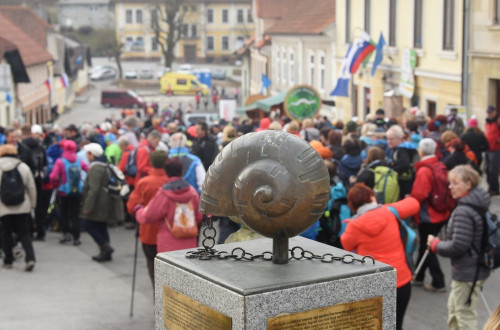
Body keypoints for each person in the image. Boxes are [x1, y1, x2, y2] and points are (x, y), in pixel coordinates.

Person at [341, 183, 419, 330]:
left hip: (375, 285)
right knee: (397, 324)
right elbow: (414, 203)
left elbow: (346, 246)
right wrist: (387, 207)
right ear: (372, 197)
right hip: (402, 281)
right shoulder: (389, 211)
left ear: (352, 205)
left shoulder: (354, 225)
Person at [427, 165, 491, 330]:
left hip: (467, 270)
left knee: (463, 316)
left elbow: (458, 246)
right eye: (450, 183)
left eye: (455, 183)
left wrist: (435, 244)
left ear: (468, 185)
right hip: (476, 266)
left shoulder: (463, 210)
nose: (450, 187)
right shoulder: (477, 203)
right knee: (455, 311)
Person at [134, 157, 203, 253]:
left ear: (166, 172)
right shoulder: (192, 192)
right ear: (182, 171)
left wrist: (138, 210)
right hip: (189, 241)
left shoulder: (164, 193)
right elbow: (199, 216)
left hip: (168, 244)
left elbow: (148, 216)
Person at [410, 138, 451, 292]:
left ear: (421, 152)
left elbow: (419, 194)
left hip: (429, 215)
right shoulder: (440, 165)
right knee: (425, 246)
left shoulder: (424, 170)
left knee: (429, 246)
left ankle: (438, 281)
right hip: (442, 212)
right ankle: (419, 276)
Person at [127, 150, 168, 287]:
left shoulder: (144, 183)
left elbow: (132, 206)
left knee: (152, 266)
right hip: (170, 233)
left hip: (149, 233)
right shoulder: (172, 182)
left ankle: (157, 298)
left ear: (151, 163)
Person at [81, 143, 124, 262]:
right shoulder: (104, 165)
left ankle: (105, 248)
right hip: (106, 200)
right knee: (101, 226)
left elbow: (93, 189)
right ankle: (105, 252)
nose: (86, 156)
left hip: (99, 202)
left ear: (92, 154)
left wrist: (87, 207)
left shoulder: (95, 168)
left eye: (88, 153)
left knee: (88, 225)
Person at [0, 145, 37, 271]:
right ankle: (30, 258)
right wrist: (33, 203)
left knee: (5, 233)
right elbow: (31, 187)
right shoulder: (23, 166)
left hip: (3, 206)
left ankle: (8, 260)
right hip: (22, 205)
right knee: (24, 232)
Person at [49, 140, 89, 245]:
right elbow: (88, 169)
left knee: (64, 213)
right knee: (76, 214)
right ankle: (76, 237)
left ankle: (66, 234)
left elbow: (53, 176)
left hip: (64, 191)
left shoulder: (60, 161)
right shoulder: (79, 161)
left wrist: (55, 185)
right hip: (77, 191)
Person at [22, 125, 48, 241]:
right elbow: (45, 163)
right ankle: (41, 232)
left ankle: (29, 232)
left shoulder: (22, 147)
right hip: (39, 179)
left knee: (28, 206)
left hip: (27, 179)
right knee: (39, 207)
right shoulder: (40, 146)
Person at [387, 125, 418, 199]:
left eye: (392, 139)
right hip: (409, 182)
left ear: (400, 139)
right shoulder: (408, 148)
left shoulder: (401, 150)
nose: (389, 141)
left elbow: (405, 165)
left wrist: (392, 171)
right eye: (387, 139)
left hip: (403, 183)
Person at [485, 105, 500, 196]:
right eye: (488, 113)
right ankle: (491, 187)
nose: (489, 114)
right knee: (488, 169)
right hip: (488, 149)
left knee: (493, 170)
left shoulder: (498, 121)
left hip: (496, 149)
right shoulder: (487, 122)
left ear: (495, 112)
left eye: (491, 112)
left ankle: (495, 188)